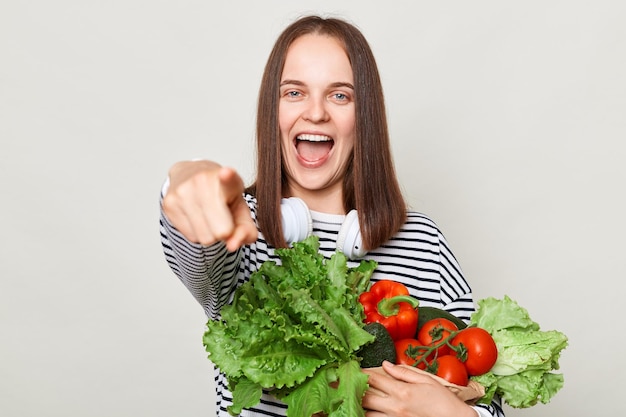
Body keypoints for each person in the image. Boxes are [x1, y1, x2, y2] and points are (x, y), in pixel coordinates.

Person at [159, 14, 505, 417]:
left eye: (340, 96)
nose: (316, 113)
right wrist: (186, 181)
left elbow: (487, 395)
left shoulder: (423, 241)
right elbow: (194, 239)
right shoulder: (241, 230)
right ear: (273, 111)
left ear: (364, 118)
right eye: (294, 93)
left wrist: (451, 414)